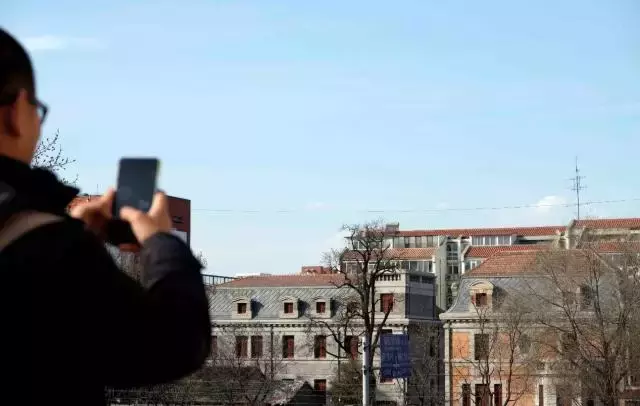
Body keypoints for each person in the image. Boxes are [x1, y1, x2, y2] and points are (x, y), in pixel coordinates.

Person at [0, 28, 211, 404]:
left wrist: (69, 231)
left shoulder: (48, 243)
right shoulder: (52, 253)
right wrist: (162, 244)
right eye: (38, 109)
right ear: (15, 111)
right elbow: (174, 344)